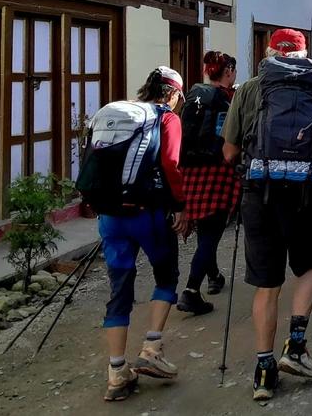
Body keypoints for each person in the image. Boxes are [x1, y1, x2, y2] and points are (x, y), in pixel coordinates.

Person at [222, 29, 312, 401]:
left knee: (267, 283)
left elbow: (228, 153)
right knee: (307, 268)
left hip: (260, 195)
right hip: (306, 193)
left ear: (270, 51)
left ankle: (263, 371)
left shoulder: (250, 88)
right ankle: (295, 344)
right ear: (305, 53)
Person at [78, 66, 190, 402]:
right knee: (166, 275)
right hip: (147, 212)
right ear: (172, 93)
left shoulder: (115, 111)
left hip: (110, 215)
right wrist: (181, 205)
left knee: (119, 288)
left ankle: (116, 373)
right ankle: (152, 347)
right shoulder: (166, 118)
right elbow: (171, 163)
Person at [176, 51, 239, 316]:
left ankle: (213, 275)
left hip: (190, 170)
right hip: (217, 169)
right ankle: (191, 290)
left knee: (205, 227)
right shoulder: (228, 100)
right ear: (228, 71)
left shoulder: (193, 96)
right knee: (212, 231)